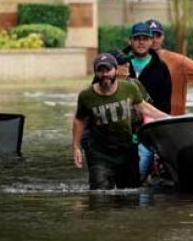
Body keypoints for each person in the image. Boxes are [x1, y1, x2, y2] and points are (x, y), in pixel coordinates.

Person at [72, 53, 170, 190]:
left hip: (126, 149)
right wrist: (76, 147)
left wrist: (168, 118)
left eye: (108, 70)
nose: (105, 74)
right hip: (100, 153)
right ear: (95, 72)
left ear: (115, 70)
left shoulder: (129, 88)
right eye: (100, 70)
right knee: (100, 193)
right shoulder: (86, 96)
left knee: (130, 193)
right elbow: (79, 121)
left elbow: (144, 108)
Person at [146, 19, 193, 115]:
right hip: (143, 122)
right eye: (149, 36)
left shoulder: (179, 62)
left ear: (163, 37)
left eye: (158, 36)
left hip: (172, 121)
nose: (154, 40)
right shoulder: (130, 64)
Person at [126, 22, 172, 114]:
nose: (141, 42)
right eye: (137, 38)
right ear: (130, 40)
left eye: (145, 39)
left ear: (151, 41)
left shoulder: (161, 67)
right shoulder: (119, 64)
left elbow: (165, 102)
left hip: (152, 122)